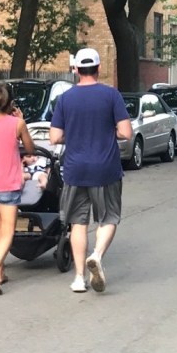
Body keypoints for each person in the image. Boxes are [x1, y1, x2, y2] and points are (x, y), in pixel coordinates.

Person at [49, 47, 132, 293]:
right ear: (98, 69)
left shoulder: (65, 99)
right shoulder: (111, 95)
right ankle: (96, 254)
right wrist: (108, 133)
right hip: (106, 169)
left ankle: (78, 278)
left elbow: (54, 137)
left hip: (75, 170)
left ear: (75, 70)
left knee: (78, 223)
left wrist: (73, 136)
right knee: (109, 218)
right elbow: (126, 133)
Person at [0, 83, 35, 295]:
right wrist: (22, 122)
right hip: (8, 181)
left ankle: (0, 273)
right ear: (10, 102)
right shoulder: (17, 124)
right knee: (9, 228)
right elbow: (30, 149)